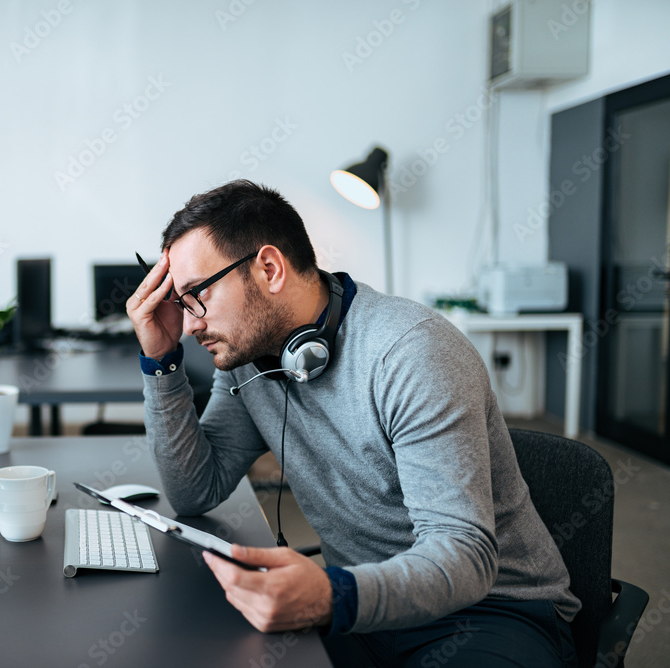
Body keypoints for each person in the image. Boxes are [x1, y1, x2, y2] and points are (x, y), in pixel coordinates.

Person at [127, 180, 580, 667]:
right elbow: (196, 489)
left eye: (197, 294)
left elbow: (465, 556)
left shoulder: (411, 353)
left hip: (490, 609)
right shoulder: (251, 360)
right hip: (359, 606)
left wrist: (331, 595)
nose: (191, 323)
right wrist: (161, 361)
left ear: (270, 269)